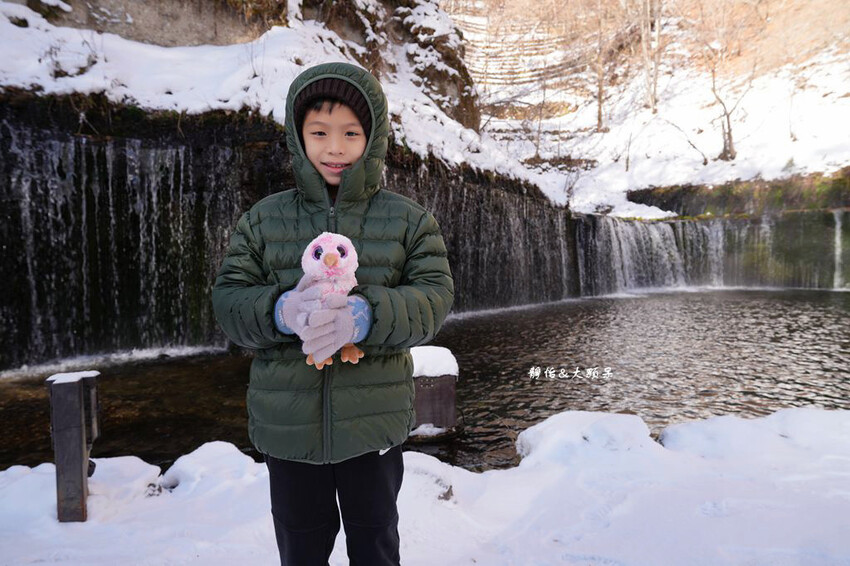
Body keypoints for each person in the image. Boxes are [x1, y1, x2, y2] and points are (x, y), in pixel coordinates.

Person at [211, 62, 455, 566]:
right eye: (319, 133)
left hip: (374, 424)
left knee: (376, 542)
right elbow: (229, 301)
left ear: (374, 137)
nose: (335, 148)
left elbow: (434, 298)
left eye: (351, 133)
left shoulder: (409, 221)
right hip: (288, 428)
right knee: (300, 546)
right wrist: (280, 310)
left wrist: (366, 316)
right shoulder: (262, 219)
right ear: (298, 137)